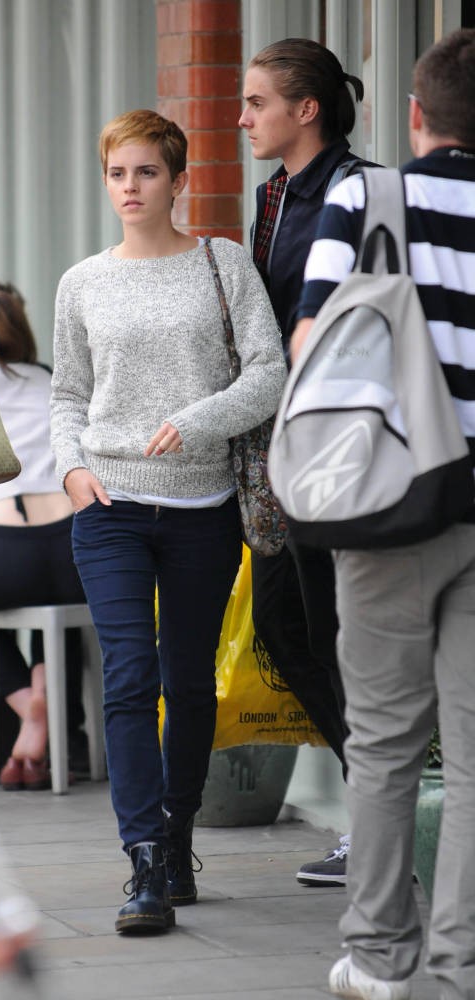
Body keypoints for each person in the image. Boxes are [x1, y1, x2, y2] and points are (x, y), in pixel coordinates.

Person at [49, 108, 286, 935]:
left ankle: (179, 832)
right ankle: (144, 856)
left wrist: (198, 421)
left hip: (201, 508)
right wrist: (73, 470)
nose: (130, 188)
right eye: (118, 173)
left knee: (188, 684)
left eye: (147, 172)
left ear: (179, 181)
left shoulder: (222, 265)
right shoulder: (82, 281)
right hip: (108, 505)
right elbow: (67, 395)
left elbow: (269, 372)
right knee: (128, 677)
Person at [291, 27, 475, 1000]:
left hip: (393, 499)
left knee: (386, 740)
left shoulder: (369, 193)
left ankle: (378, 958)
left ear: (416, 115)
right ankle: (461, 966)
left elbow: (314, 336)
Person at [239, 36, 370, 886]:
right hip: (279, 449)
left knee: (335, 631)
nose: (243, 116)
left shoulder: (359, 191)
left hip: (342, 449)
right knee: (289, 630)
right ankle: (379, 808)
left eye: (256, 103)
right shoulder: (273, 195)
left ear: (305, 109)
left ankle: (378, 822)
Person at [0, 280, 88, 789]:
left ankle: (25, 704)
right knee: (64, 625)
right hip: (68, 546)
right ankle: (50, 700)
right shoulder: (47, 381)